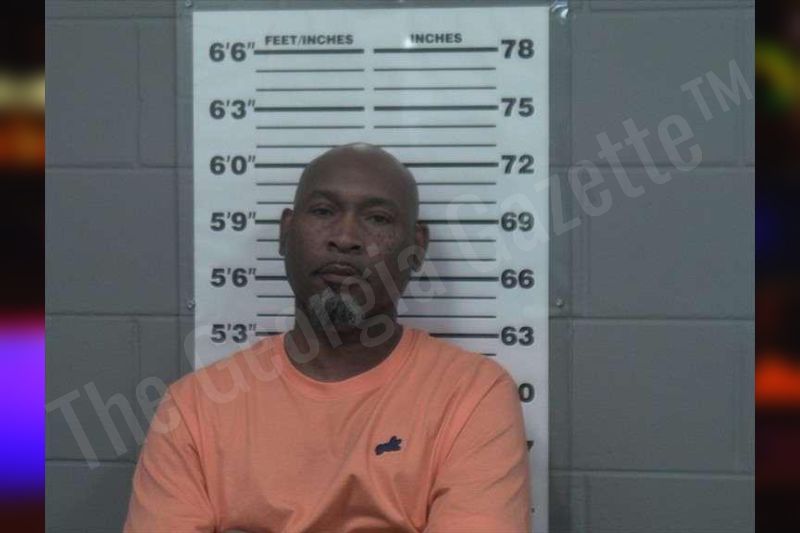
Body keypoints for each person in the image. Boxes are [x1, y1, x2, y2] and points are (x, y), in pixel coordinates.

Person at [123, 143, 532, 532]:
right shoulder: (193, 409)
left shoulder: (473, 396)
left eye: (378, 218)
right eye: (323, 211)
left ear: (417, 246)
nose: (346, 238)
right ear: (285, 232)